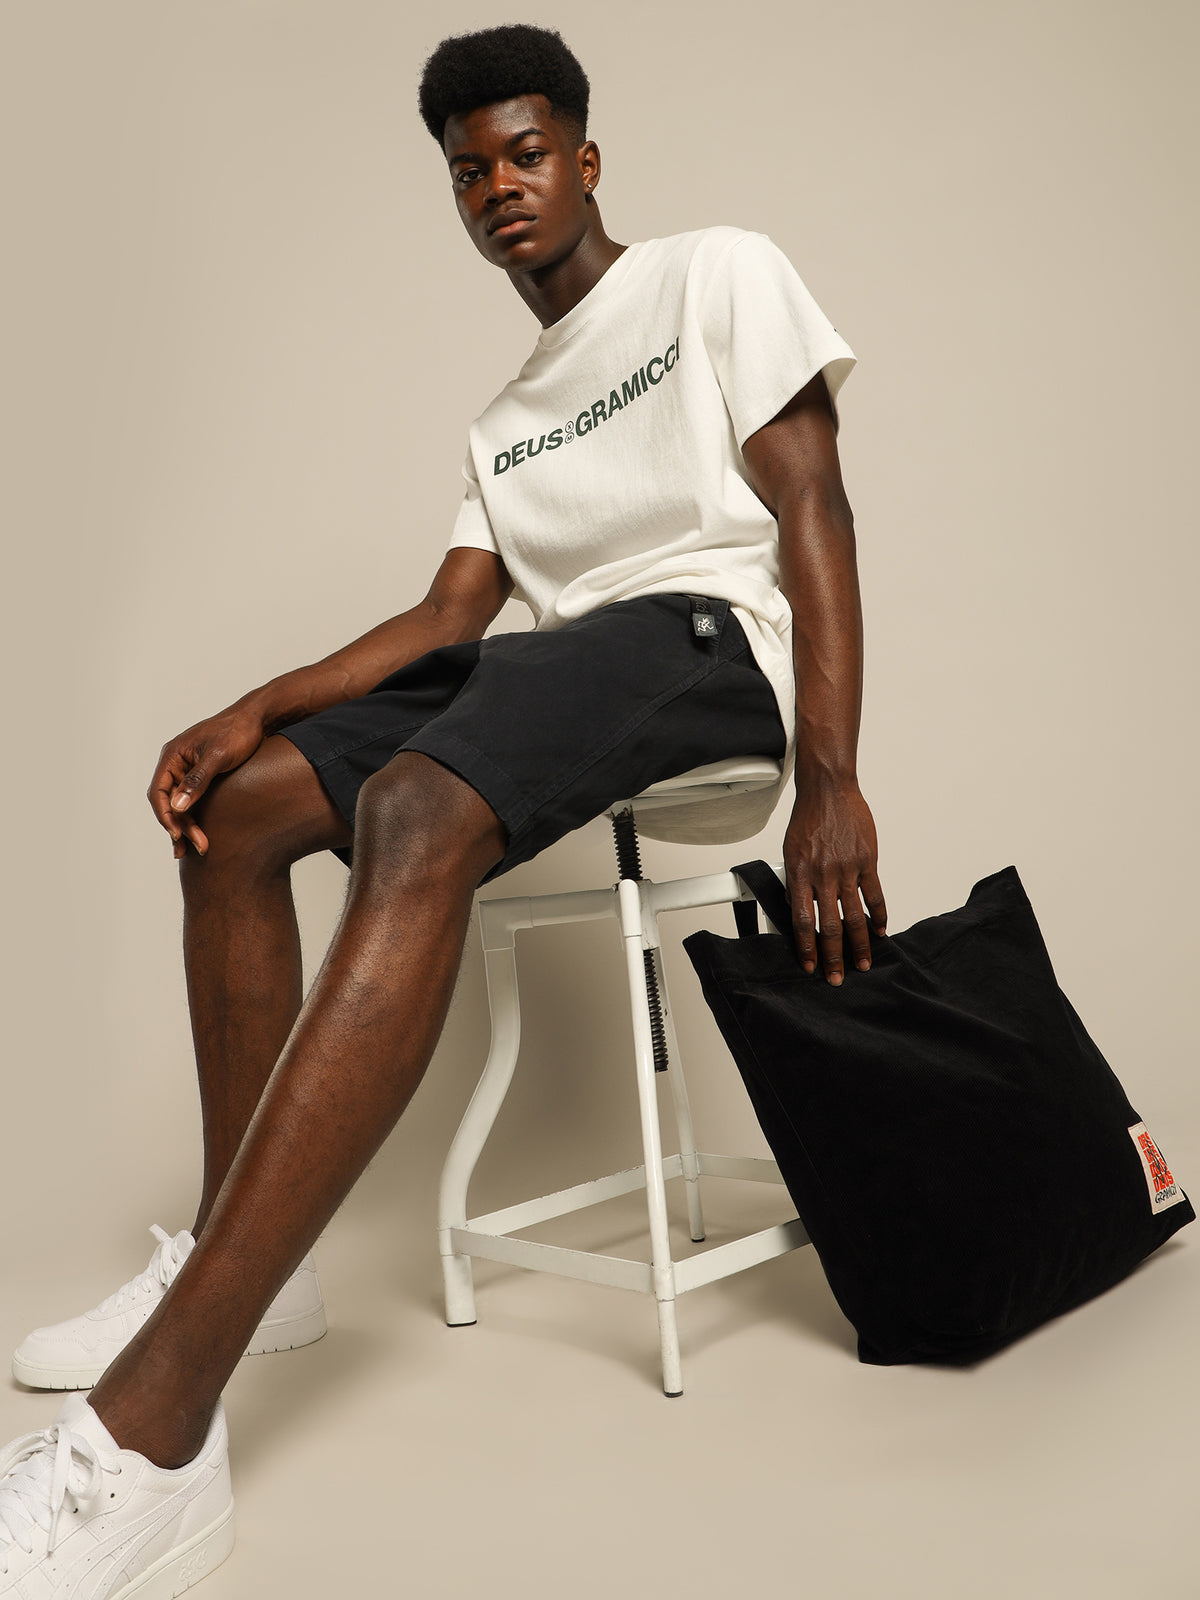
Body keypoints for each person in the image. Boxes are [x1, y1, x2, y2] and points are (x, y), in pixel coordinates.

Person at [0, 23, 885, 1596]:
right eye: (470, 172)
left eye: (527, 155)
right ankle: (243, 1266)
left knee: (416, 807)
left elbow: (814, 504)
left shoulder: (714, 275)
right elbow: (448, 619)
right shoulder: (504, 419)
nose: (501, 188)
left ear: (586, 160)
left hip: (707, 649)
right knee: (241, 809)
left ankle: (159, 1426)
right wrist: (258, 705)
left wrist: (833, 777)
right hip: (570, 670)